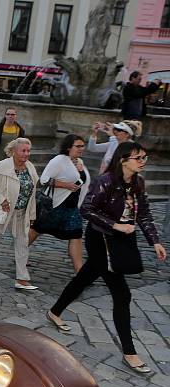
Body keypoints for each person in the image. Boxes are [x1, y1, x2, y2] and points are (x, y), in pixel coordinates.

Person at [48, 142, 166, 374]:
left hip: (121, 239)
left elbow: (144, 214)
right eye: (138, 158)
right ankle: (130, 353)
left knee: (85, 277)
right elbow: (87, 209)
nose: (143, 162)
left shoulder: (138, 183)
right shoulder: (106, 181)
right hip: (100, 238)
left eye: (144, 157)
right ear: (123, 160)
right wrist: (115, 225)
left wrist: (155, 242)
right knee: (122, 294)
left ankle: (54, 312)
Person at [0, 138, 39, 290]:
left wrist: (32, 216)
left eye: (28, 150)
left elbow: (33, 193)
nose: (26, 154)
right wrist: (1, 199)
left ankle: (22, 278)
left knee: (22, 244)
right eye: (23, 150)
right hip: (3, 212)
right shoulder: (1, 166)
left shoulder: (30, 167)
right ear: (14, 151)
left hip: (21, 213)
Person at [29, 134, 91, 273]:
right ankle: (20, 253)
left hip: (71, 208)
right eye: (78, 146)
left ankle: (79, 271)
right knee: (38, 229)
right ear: (69, 147)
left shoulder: (78, 161)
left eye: (83, 146)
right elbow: (44, 180)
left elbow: (83, 183)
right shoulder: (59, 160)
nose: (81, 148)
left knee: (76, 235)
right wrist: (66, 185)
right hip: (55, 205)